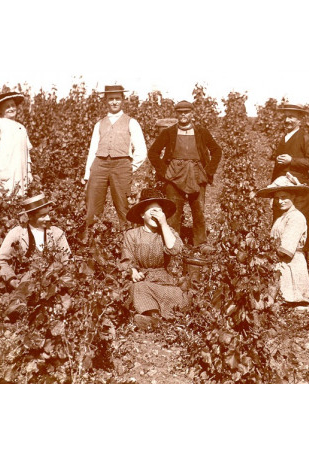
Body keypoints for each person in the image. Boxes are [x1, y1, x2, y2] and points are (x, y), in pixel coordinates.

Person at [148, 100, 222, 254]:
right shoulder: (169, 132)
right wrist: (164, 172)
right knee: (174, 212)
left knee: (198, 210)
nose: (183, 115)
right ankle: (173, 244)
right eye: (180, 112)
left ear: (192, 113)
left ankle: (201, 243)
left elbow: (216, 150)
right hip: (174, 176)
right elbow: (153, 152)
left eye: (186, 112)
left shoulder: (201, 131)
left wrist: (208, 171)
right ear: (177, 114)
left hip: (196, 174)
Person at [120, 188, 188, 330]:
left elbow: (174, 249)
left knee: (180, 294)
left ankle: (159, 318)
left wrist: (164, 224)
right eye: (152, 211)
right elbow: (127, 259)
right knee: (138, 288)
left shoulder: (167, 232)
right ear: (142, 215)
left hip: (164, 281)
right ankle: (153, 317)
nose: (156, 215)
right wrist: (133, 271)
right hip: (143, 281)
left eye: (159, 211)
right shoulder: (131, 235)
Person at [82, 85, 147, 232]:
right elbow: (93, 150)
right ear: (106, 101)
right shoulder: (99, 123)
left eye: (117, 98)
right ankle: (93, 243)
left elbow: (141, 150)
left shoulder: (131, 122)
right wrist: (88, 175)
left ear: (123, 100)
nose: (114, 102)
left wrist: (130, 167)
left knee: (123, 205)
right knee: (93, 205)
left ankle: (127, 241)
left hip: (122, 165)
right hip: (99, 165)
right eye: (111, 99)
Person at [256, 174, 309, 309]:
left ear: (293, 197)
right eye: (277, 198)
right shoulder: (282, 217)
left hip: (290, 266)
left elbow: (286, 251)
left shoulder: (296, 217)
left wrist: (263, 258)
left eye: (284, 197)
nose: (280, 202)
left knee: (290, 301)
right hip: (278, 265)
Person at [0, 193, 71, 288]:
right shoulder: (17, 233)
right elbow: (0, 261)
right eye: (42, 216)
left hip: (52, 284)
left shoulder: (56, 233)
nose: (48, 218)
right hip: (24, 284)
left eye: (48, 214)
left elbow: (68, 260)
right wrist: (12, 280)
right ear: (30, 217)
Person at [271, 103, 309, 252]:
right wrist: (272, 190)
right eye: (286, 116)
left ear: (300, 120)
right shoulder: (283, 138)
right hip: (282, 190)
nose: (288, 120)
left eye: (292, 117)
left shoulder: (305, 137)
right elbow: (277, 168)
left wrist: (292, 160)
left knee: (297, 225)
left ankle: (299, 263)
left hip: (298, 191)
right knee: (280, 224)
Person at [0, 91, 33, 197]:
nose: (11, 108)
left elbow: (27, 152)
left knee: (18, 200)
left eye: (13, 105)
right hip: (3, 172)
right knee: (0, 200)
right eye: (7, 107)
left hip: (20, 173)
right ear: (1, 110)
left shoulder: (21, 128)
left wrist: (29, 172)